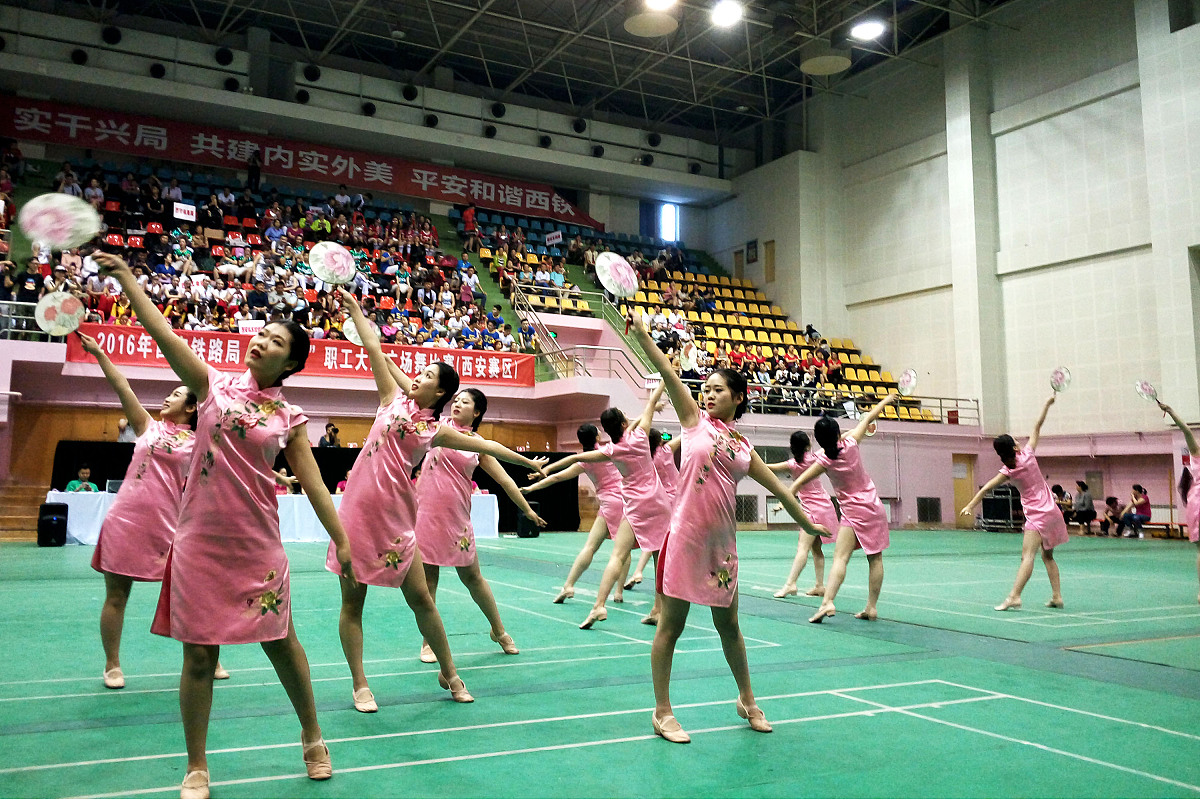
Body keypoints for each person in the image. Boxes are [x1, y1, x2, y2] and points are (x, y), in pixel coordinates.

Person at [91, 252, 357, 800]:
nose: (260, 341)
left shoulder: (289, 419)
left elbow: (314, 485)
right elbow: (164, 336)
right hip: (196, 545)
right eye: (261, 334)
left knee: (281, 643)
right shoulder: (212, 387)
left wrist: (343, 541)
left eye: (275, 342)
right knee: (198, 655)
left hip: (258, 546)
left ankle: (312, 735)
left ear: (290, 364)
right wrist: (129, 281)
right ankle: (197, 764)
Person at [331, 289, 547, 712]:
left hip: (398, 522)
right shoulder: (389, 400)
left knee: (422, 600)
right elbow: (374, 348)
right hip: (355, 517)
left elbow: (489, 448)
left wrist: (528, 462)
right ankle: (360, 684)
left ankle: (450, 672)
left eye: (427, 375)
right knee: (352, 604)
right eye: (420, 371)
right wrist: (356, 311)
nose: (418, 376)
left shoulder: (436, 431)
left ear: (440, 392)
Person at [627, 314, 822, 743]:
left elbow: (779, 487)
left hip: (722, 548)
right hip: (684, 540)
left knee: (729, 627)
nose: (708, 394)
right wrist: (642, 335)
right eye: (707, 389)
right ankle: (662, 711)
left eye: (718, 390)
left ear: (738, 397)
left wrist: (806, 520)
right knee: (670, 627)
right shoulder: (693, 421)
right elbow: (666, 371)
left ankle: (747, 699)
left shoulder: (742, 446)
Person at [77, 332, 231, 690]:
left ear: (191, 408)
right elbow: (122, 387)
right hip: (125, 522)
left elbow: (232, 465)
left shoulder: (200, 442)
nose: (168, 397)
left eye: (176, 394)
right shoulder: (147, 426)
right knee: (117, 596)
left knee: (192, 596)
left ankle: (210, 657)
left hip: (170, 527)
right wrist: (100, 354)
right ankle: (112, 665)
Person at [414, 388, 547, 661]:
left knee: (473, 579)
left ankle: (498, 630)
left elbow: (505, 480)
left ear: (476, 412)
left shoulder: (477, 445)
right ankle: (428, 642)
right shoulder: (436, 427)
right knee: (429, 581)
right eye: (456, 400)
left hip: (457, 519)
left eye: (465, 402)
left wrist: (527, 510)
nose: (457, 404)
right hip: (425, 515)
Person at [536, 383, 671, 629]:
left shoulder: (611, 450)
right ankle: (657, 609)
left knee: (618, 555)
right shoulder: (641, 437)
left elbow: (576, 457)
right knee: (658, 557)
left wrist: (547, 468)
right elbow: (651, 403)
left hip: (634, 505)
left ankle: (599, 605)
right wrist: (665, 377)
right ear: (624, 424)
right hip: (658, 503)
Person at [791, 395, 898, 623]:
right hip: (874, 507)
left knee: (840, 558)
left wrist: (788, 498)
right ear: (838, 434)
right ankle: (871, 607)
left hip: (853, 512)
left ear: (819, 441)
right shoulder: (851, 443)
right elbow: (869, 416)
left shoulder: (823, 460)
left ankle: (827, 602)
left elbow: (799, 482)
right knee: (875, 559)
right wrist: (887, 400)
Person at [960, 394, 1066, 611]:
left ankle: (1014, 596)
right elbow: (1037, 426)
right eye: (1016, 441)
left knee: (1027, 556)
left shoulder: (1008, 471)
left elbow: (987, 488)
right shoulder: (1028, 455)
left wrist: (970, 505)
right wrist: (1047, 404)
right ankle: (1057, 596)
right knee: (1047, 556)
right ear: (1015, 448)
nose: (1019, 441)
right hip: (1053, 512)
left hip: (1037, 516)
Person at [523, 424, 626, 605]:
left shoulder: (584, 461)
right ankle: (618, 592)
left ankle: (569, 585)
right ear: (597, 437)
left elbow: (557, 477)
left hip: (607, 504)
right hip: (622, 503)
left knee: (590, 547)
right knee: (623, 550)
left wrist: (532, 488)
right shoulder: (607, 451)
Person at [766, 431, 839, 599]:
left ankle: (790, 584)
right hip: (825, 506)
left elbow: (769, 468)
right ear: (808, 445)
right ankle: (820, 586)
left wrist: (748, 462)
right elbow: (833, 444)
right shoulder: (816, 458)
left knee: (802, 548)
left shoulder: (791, 464)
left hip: (811, 511)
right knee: (816, 548)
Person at [626, 430, 681, 592]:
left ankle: (638, 572)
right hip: (676, 500)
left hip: (658, 499)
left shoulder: (644, 459)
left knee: (656, 541)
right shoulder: (667, 450)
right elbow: (684, 435)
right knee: (663, 542)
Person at [1157, 399, 1200, 603]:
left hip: (1195, 502)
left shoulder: (1197, 455)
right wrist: (1171, 412)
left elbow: (1187, 432)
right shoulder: (1197, 454)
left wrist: (1172, 411)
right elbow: (1187, 432)